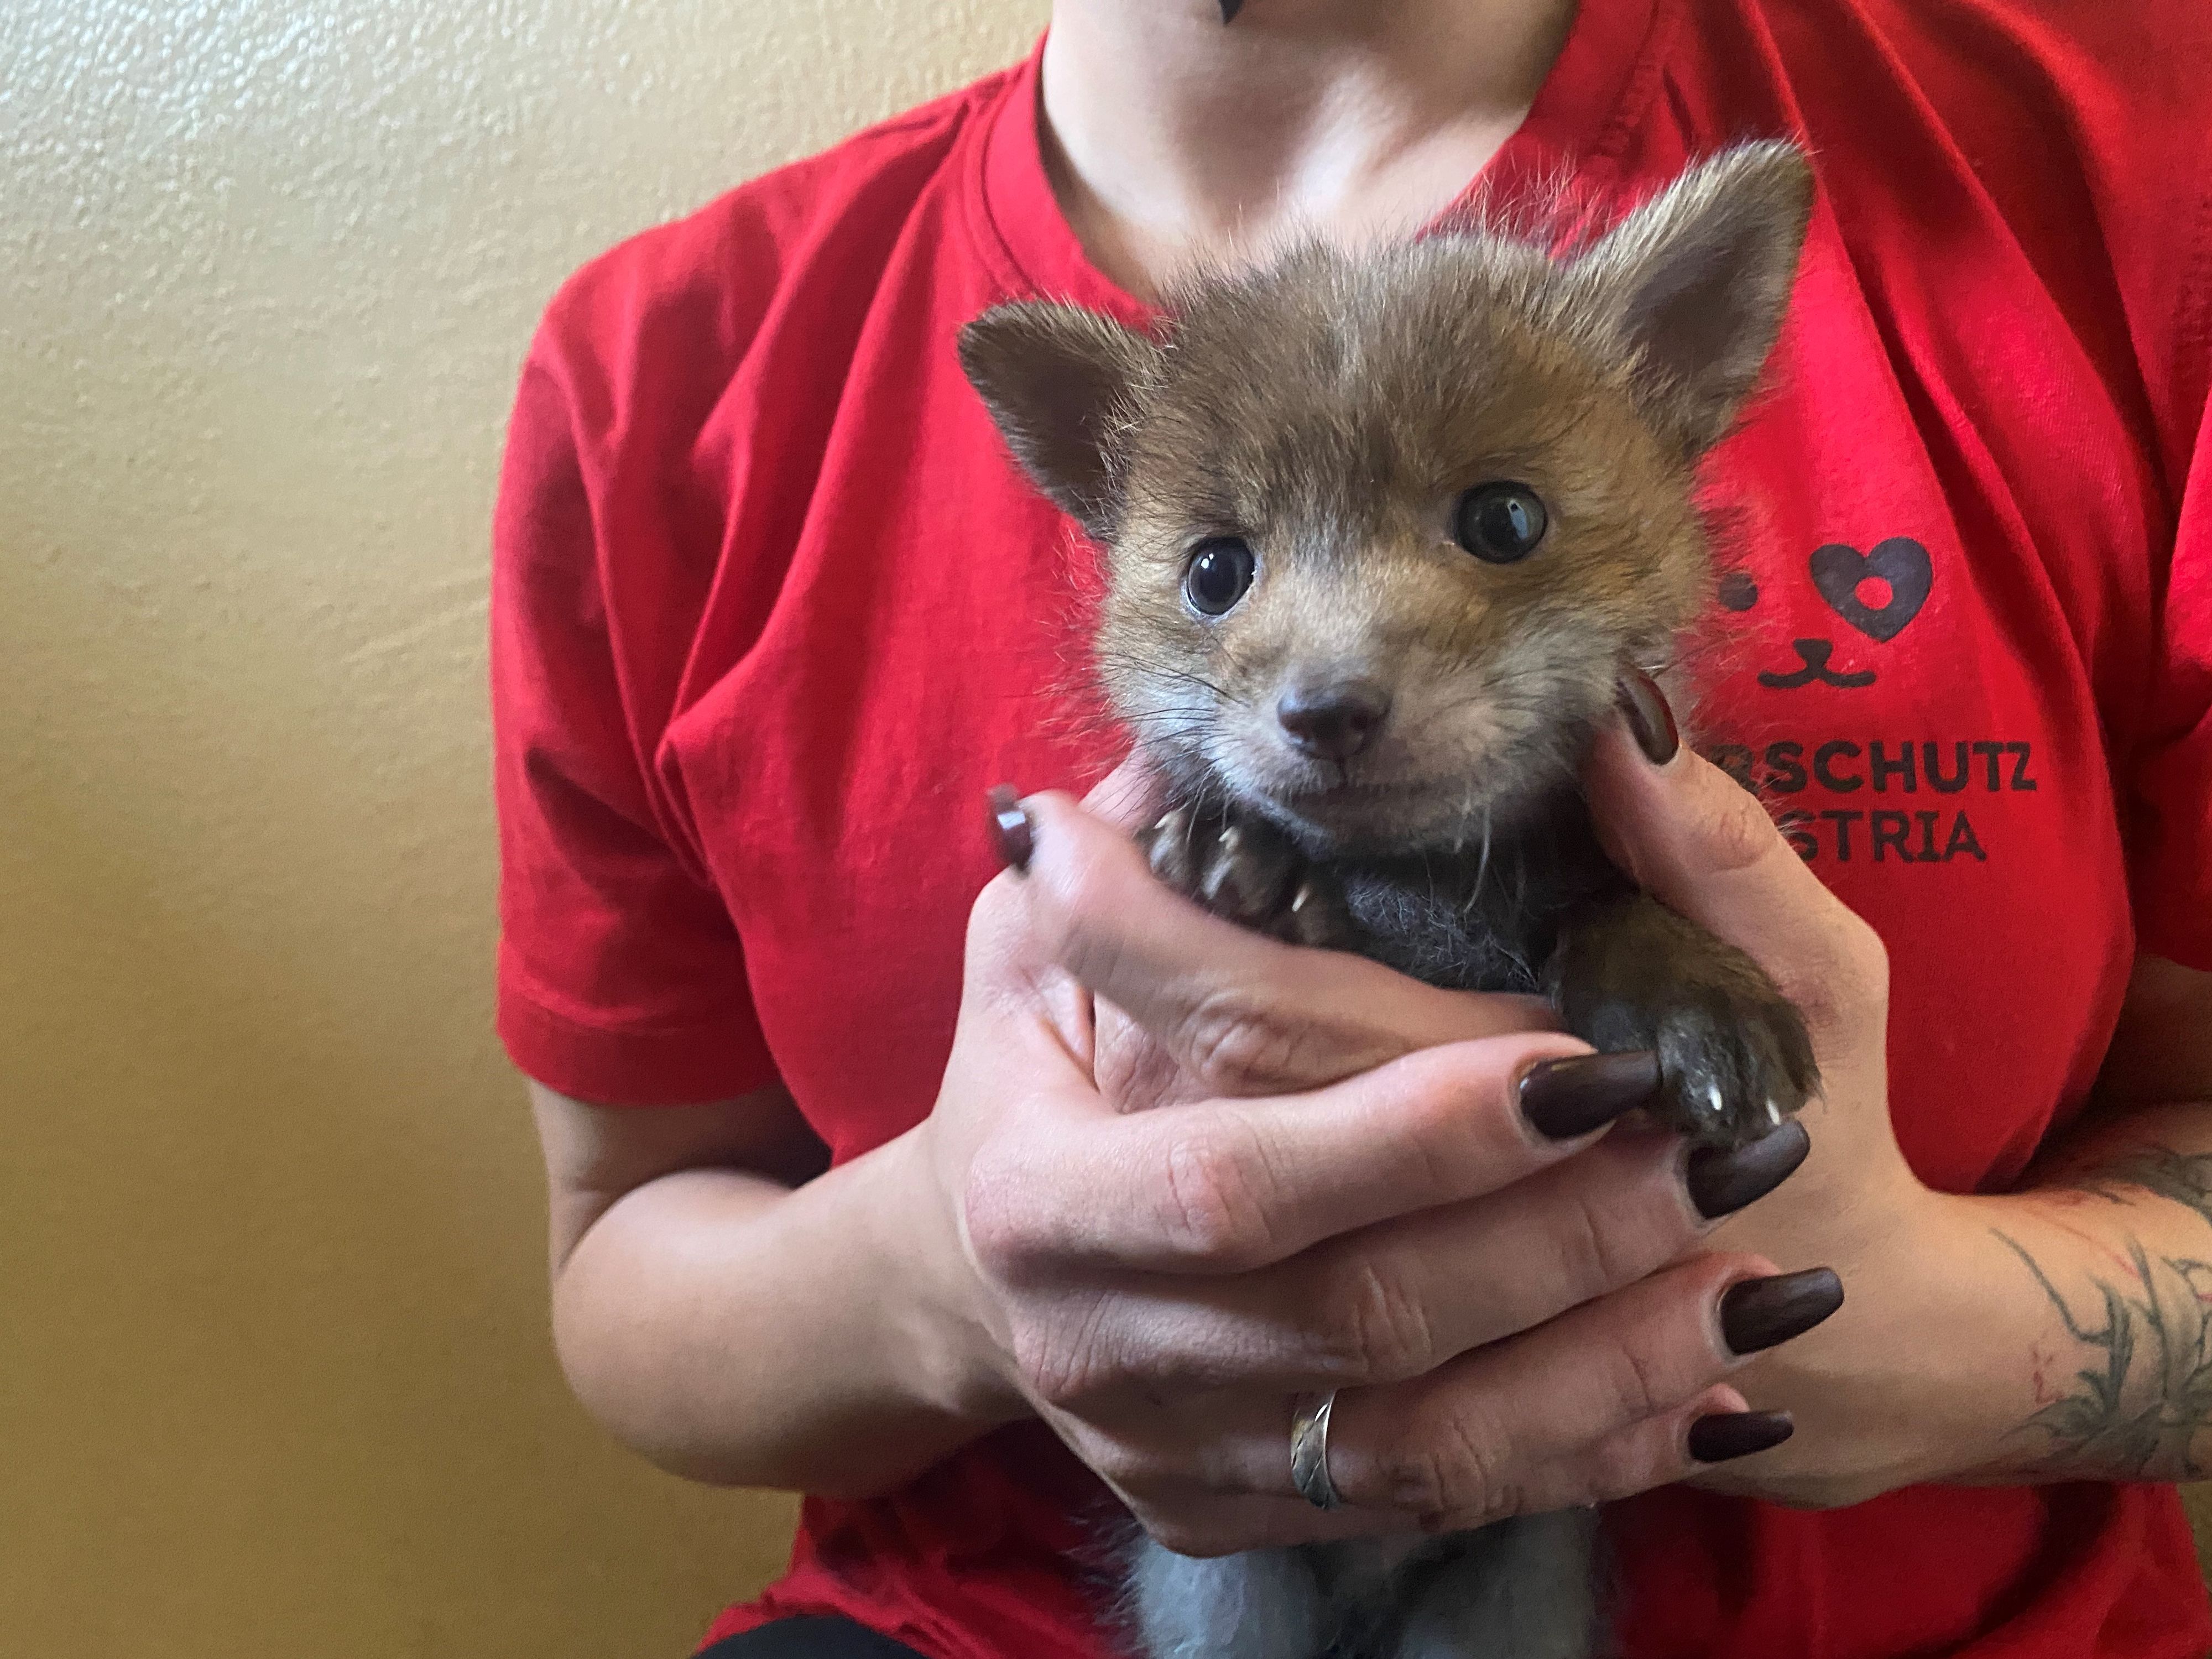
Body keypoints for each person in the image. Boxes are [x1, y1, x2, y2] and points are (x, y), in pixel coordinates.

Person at [488, 1, 2212, 1655]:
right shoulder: (668, 380)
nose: (1327, 680)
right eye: (1222, 572)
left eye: (1502, 523)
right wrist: (951, 1263)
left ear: (1684, 368)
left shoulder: (2127, 144)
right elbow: (629, 1265)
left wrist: (1946, 1332)